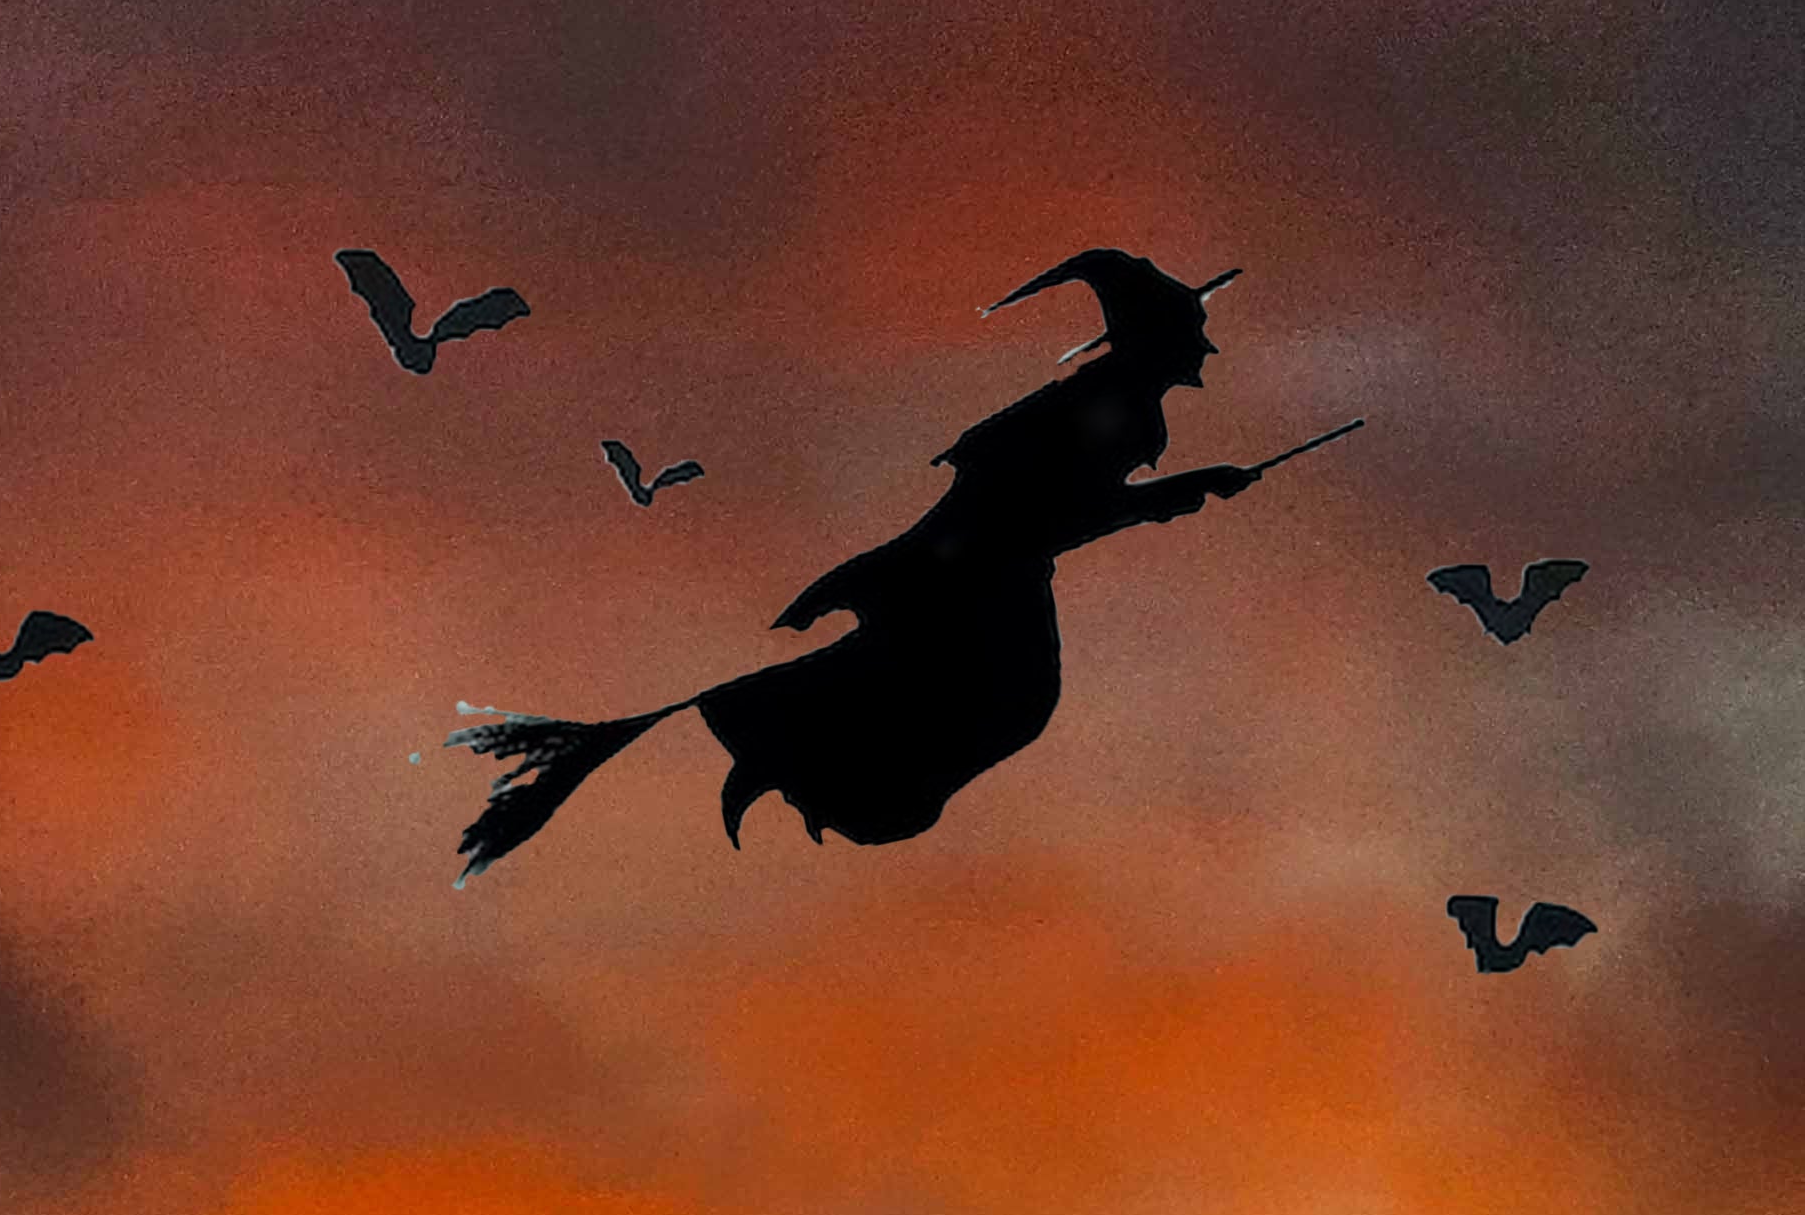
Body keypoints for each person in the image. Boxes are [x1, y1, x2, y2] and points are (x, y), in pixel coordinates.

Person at [451, 251, 1259, 879]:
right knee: (1004, 703)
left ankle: (833, 756)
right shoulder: (1111, 410)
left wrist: (1169, 495)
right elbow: (1042, 514)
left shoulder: (1115, 407)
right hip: (976, 573)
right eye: (1190, 333)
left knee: (998, 707)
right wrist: (1171, 496)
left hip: (982, 571)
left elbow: (1049, 512)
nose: (1203, 349)